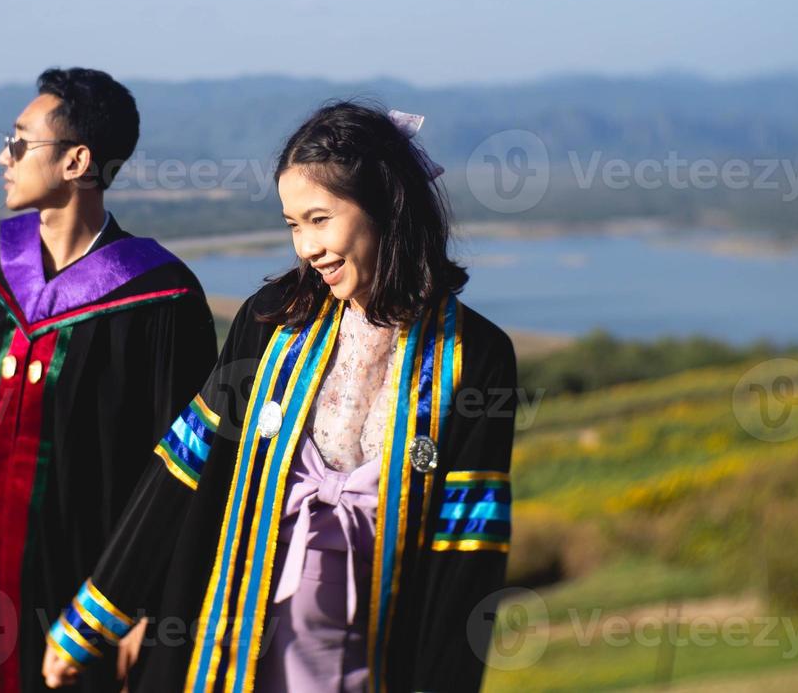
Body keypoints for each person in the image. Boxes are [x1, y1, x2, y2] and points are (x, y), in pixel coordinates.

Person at [42, 100, 518, 693]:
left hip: (379, 662)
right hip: (235, 654)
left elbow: (469, 550)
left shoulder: (478, 357)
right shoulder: (270, 324)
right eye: (294, 225)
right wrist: (91, 623)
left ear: (384, 207)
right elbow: (183, 469)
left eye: (319, 219)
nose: (305, 247)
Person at [0, 67, 219, 693]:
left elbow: (183, 468)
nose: (3, 157)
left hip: (85, 585)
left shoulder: (160, 298)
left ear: (78, 161)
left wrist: (146, 604)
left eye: (19, 142)